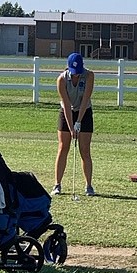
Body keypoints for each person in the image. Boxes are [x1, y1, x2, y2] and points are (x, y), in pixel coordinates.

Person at [51, 52, 95, 196]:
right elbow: (66, 104)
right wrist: (71, 128)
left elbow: (84, 101)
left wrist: (78, 123)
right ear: (69, 68)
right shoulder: (61, 80)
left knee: (85, 150)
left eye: (78, 73)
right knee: (63, 147)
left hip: (84, 111)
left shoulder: (89, 76)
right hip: (67, 111)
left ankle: (89, 186)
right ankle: (57, 185)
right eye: (74, 73)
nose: (76, 76)